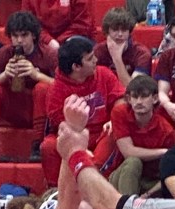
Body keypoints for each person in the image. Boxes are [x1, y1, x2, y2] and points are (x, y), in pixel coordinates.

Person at [41, 36, 126, 187]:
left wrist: (114, 119)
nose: (96, 60)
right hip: (73, 133)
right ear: (76, 67)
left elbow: (120, 100)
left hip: (101, 132)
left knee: (117, 130)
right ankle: (55, 191)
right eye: (90, 58)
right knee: (48, 146)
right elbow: (60, 125)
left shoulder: (104, 74)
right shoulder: (56, 89)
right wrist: (80, 148)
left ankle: (96, 184)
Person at [0, 12, 57, 164]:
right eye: (15, 36)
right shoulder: (5, 53)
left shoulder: (48, 54)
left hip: (39, 110)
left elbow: (63, 87)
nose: (19, 40)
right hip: (14, 107)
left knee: (42, 88)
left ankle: (37, 145)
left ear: (33, 35)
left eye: (24, 35)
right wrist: (4, 75)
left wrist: (36, 75)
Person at [108, 75, 175, 195]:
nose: (139, 102)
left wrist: (148, 194)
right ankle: (127, 205)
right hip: (122, 175)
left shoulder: (166, 130)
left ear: (155, 98)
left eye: (144, 96)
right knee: (133, 162)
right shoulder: (120, 112)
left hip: (150, 181)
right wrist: (163, 151)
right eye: (135, 97)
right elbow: (128, 152)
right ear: (129, 99)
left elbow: (172, 169)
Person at [93, 8, 153, 87]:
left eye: (124, 30)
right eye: (115, 30)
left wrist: (117, 59)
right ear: (107, 32)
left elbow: (133, 89)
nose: (120, 34)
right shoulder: (98, 51)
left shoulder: (142, 53)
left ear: (129, 32)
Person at [23, 0, 94, 53]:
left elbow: (82, 24)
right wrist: (49, 40)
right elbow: (28, 23)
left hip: (73, 37)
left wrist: (60, 41)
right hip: (41, 39)